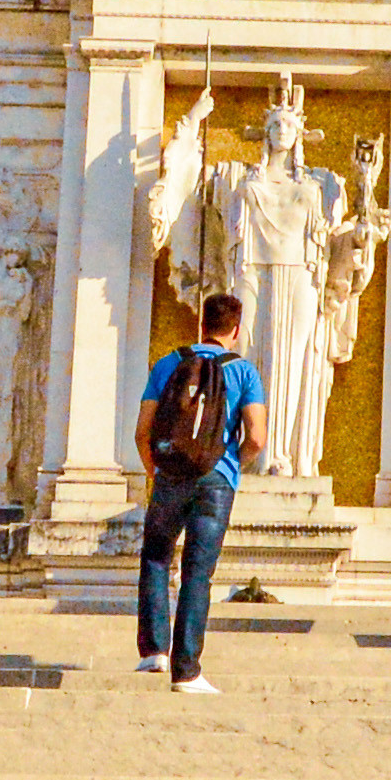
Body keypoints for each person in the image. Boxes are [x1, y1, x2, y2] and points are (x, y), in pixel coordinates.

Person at [136, 292, 266, 696]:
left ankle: (154, 650)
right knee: (198, 572)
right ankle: (187, 669)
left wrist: (157, 470)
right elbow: (257, 438)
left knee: (157, 557)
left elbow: (144, 431)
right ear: (235, 329)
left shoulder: (168, 363)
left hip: (171, 474)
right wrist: (230, 469)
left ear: (201, 323)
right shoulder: (244, 371)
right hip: (217, 478)